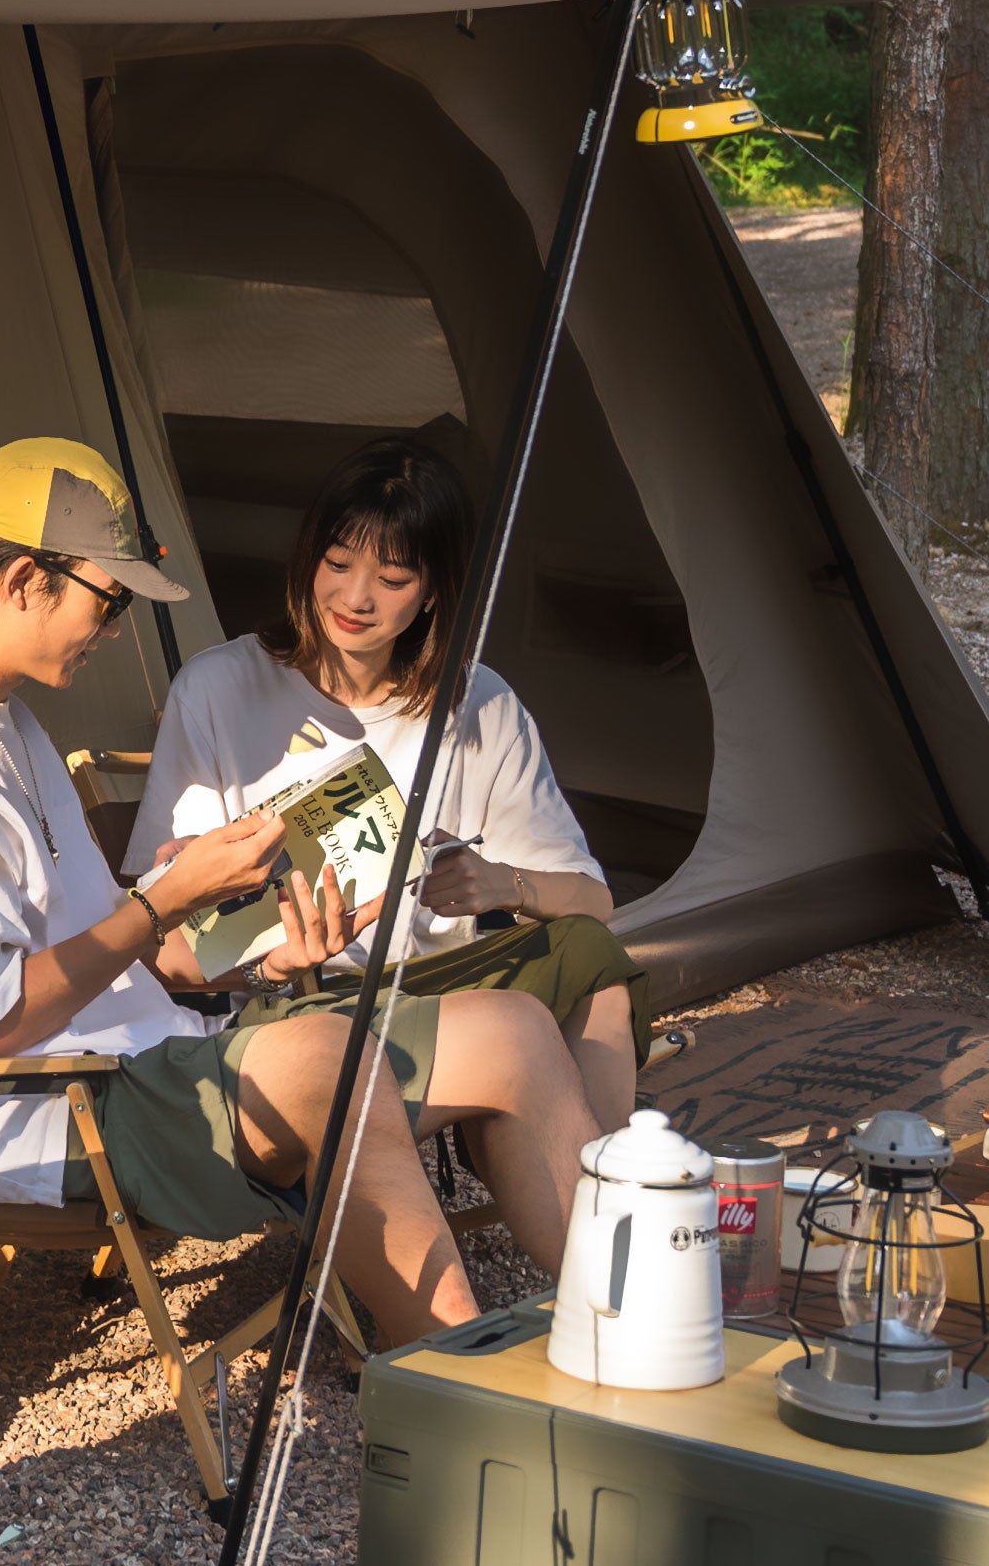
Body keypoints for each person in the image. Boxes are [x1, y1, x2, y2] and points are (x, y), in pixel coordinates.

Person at [0, 438, 598, 1347]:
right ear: (24, 582)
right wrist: (163, 901)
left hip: (162, 1055)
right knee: (325, 1057)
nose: (119, 627)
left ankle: (624, 1336)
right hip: (52, 1114)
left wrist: (253, 956)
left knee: (514, 1031)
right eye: (112, 599)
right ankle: (461, 1390)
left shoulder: (5, 724)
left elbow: (133, 951)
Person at [129, 433, 649, 1148]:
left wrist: (504, 885)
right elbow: (155, 925)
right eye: (336, 564)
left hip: (442, 985)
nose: (354, 598)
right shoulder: (220, 688)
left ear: (435, 589)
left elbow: (594, 905)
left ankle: (609, 1191)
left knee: (589, 960)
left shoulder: (479, 705)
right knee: (516, 1035)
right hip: (300, 1001)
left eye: (393, 580)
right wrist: (273, 951)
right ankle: (598, 1216)